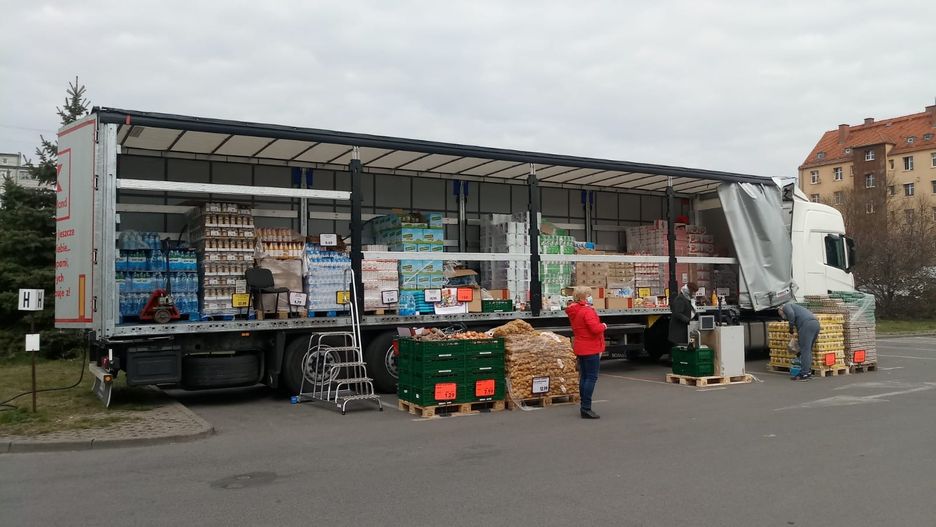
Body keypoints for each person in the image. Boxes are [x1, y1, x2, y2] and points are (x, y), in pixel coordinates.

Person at [566, 286, 607, 419]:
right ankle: (586, 408)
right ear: (583, 297)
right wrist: (604, 326)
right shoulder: (587, 311)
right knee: (591, 378)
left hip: (581, 346)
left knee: (584, 377)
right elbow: (595, 329)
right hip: (591, 347)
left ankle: (584, 406)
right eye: (589, 295)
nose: (591, 297)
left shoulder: (574, 310)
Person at [779, 303, 820, 381]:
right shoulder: (798, 308)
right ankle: (808, 372)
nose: (783, 317)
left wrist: (791, 327)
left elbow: (791, 314)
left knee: (805, 351)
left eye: (781, 314)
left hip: (807, 325)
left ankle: (804, 373)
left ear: (781, 310)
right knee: (808, 350)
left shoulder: (786, 306)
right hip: (815, 324)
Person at [669, 282, 699, 347]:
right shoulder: (680, 299)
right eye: (694, 292)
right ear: (689, 291)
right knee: (680, 349)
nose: (695, 294)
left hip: (683, 331)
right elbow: (678, 313)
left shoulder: (688, 299)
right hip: (679, 333)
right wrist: (689, 321)